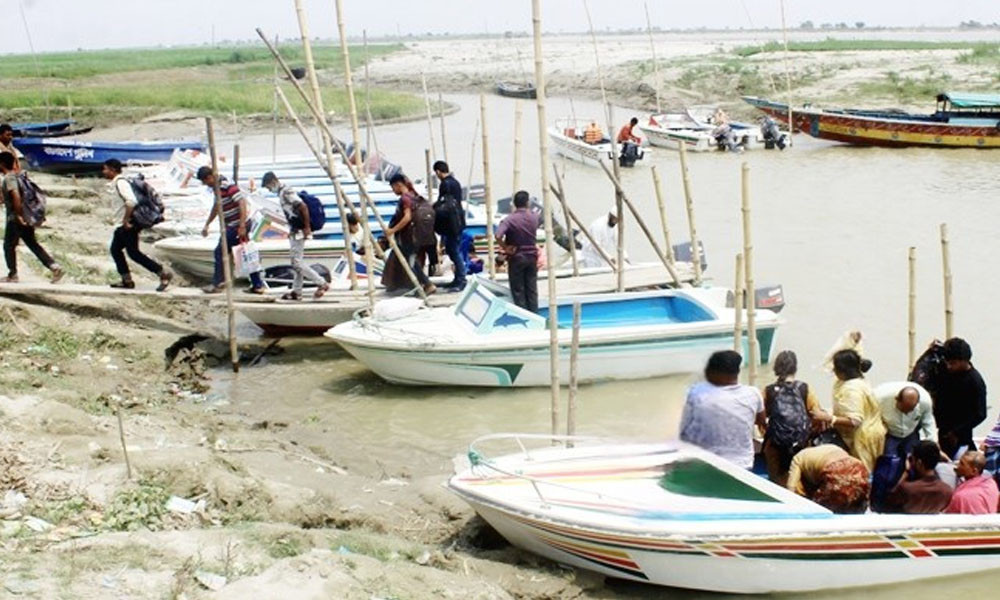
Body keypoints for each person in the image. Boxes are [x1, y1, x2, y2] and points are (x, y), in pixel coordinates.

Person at [679, 350, 765, 470]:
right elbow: (761, 421)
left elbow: (683, 429)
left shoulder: (697, 392)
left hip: (706, 464)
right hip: (743, 464)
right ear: (737, 372)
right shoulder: (753, 393)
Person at [761, 350, 832, 486]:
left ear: (776, 368)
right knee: (799, 479)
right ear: (795, 368)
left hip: (775, 445)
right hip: (800, 443)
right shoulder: (804, 388)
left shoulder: (768, 390)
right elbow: (816, 415)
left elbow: (761, 418)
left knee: (775, 482)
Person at [101, 159, 173, 291]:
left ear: (112, 170)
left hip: (129, 223)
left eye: (105, 169)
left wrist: (125, 220)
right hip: (123, 224)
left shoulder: (121, 183)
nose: (103, 172)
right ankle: (126, 280)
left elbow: (131, 202)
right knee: (116, 250)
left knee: (134, 253)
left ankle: (162, 273)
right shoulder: (119, 182)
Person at [196, 166, 264, 294]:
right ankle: (257, 285)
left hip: (237, 225)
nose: (207, 185)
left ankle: (218, 283)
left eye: (206, 182)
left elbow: (242, 203)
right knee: (246, 254)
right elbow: (216, 207)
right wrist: (207, 224)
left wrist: (242, 226)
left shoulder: (227, 185)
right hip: (233, 225)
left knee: (220, 251)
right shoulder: (217, 189)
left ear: (210, 177)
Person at [261, 172, 329, 301]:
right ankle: (297, 291)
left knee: (296, 263)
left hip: (300, 229)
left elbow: (302, 206)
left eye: (268, 187)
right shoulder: (282, 193)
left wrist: (307, 227)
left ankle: (321, 283)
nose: (269, 189)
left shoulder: (286, 192)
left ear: (273, 182)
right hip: (296, 230)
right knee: (297, 262)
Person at [0, 152, 62, 283]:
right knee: (32, 243)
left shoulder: (9, 178)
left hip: (15, 218)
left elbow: (15, 195)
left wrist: (18, 215)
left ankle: (13, 275)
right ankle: (53, 266)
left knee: (8, 246)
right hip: (25, 216)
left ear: (2, 164)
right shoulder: (17, 176)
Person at [928, 337, 987, 460]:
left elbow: (980, 414)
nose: (949, 366)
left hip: (960, 434)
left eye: (953, 363)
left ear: (964, 361)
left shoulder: (975, 382)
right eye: (947, 362)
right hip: (942, 428)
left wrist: (956, 432)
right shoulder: (944, 369)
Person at [830, 349, 886, 472]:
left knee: (860, 473)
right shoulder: (855, 380)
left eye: (835, 368)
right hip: (869, 430)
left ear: (843, 370)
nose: (833, 371)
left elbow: (855, 421)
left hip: (863, 437)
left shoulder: (852, 389)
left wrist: (830, 419)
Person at [383, 173, 435, 295]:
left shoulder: (405, 198)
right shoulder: (414, 196)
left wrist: (392, 230)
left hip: (409, 237)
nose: (393, 191)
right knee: (412, 261)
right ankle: (421, 285)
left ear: (398, 185)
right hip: (420, 236)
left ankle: (427, 284)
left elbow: (407, 218)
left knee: (411, 262)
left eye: (393, 188)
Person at [786, 444, 870, 514]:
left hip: (836, 472)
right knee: (856, 506)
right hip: (858, 466)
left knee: (820, 512)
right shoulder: (826, 447)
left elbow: (790, 489)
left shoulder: (797, 460)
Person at [494, 191, 539, 312]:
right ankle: (535, 313)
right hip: (532, 256)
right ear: (527, 203)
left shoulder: (509, 220)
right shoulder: (534, 217)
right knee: (532, 288)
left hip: (517, 256)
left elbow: (498, 235)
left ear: (514, 204)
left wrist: (505, 247)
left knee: (518, 290)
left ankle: (523, 314)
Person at [885, 440, 953, 514]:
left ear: (919, 463)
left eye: (913, 459)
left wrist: (906, 473)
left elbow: (889, 501)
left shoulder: (907, 489)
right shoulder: (947, 491)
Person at [874, 381, 936, 459]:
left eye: (910, 410)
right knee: (889, 461)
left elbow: (928, 422)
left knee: (912, 459)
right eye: (903, 409)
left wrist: (933, 445)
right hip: (890, 433)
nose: (906, 413)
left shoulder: (925, 401)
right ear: (896, 399)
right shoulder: (879, 396)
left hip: (911, 433)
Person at [432, 161, 467, 290]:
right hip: (458, 221)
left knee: (454, 252)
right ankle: (458, 278)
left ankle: (461, 279)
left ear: (438, 171)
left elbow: (444, 203)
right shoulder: (455, 182)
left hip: (451, 223)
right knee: (454, 250)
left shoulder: (445, 184)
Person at [945, 450, 999, 514]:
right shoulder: (991, 483)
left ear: (974, 471)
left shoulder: (962, 497)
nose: (957, 466)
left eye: (962, 464)